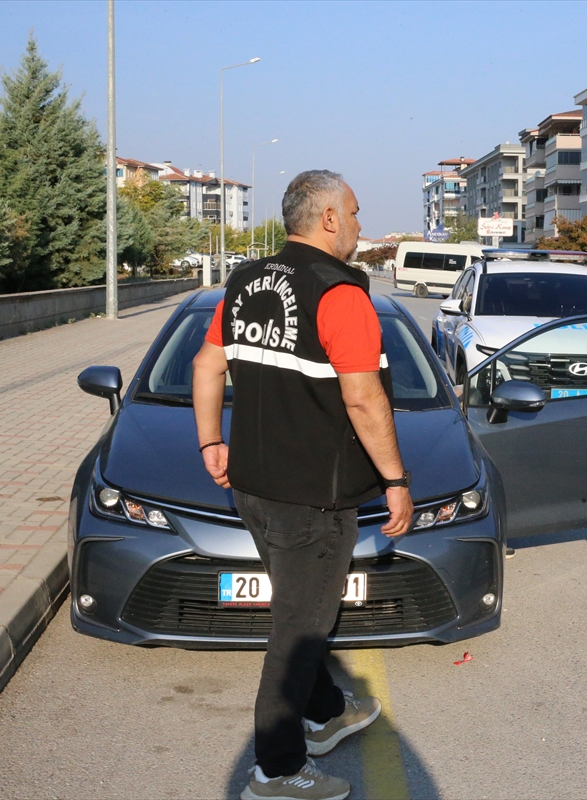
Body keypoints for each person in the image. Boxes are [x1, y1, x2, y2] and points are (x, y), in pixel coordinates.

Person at [192, 170, 414, 800]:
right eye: (356, 211)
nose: (361, 225)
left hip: (254, 488)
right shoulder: (339, 292)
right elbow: (365, 400)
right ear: (328, 220)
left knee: (304, 608)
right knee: (300, 629)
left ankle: (328, 712)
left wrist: (212, 441)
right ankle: (278, 770)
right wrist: (396, 480)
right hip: (314, 499)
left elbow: (207, 363)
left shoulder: (245, 281)